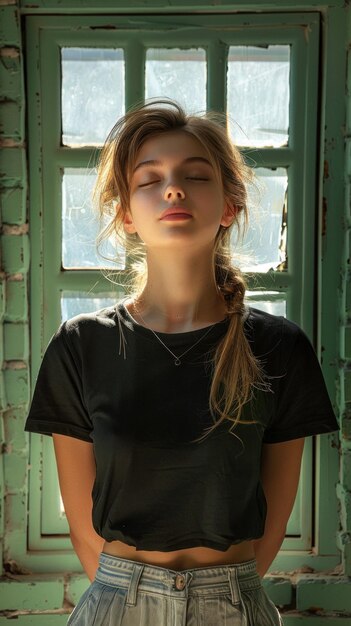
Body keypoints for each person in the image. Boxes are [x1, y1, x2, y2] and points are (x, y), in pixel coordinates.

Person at [25, 100, 339, 626]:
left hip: (235, 603)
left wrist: (219, 595)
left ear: (230, 205)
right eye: (151, 180)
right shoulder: (81, 346)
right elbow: (85, 533)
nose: (173, 189)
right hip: (116, 604)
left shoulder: (280, 347)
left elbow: (271, 529)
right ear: (126, 213)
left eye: (195, 175)